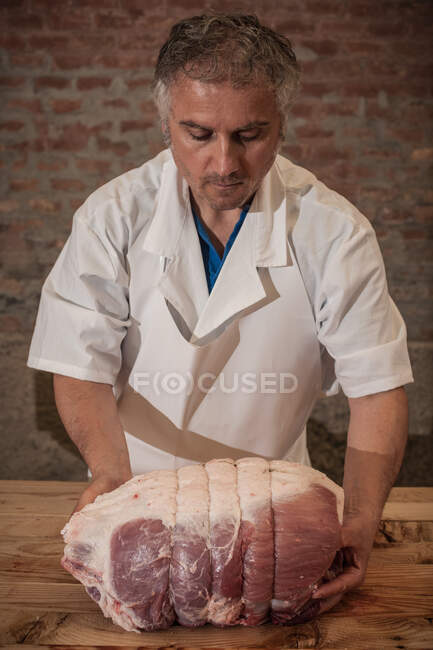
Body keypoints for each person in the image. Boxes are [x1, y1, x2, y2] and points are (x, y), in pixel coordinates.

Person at [28, 14, 413, 614]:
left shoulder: (334, 232)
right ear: (166, 124)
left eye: (250, 134)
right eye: (199, 133)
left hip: (277, 513)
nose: (224, 162)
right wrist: (107, 475)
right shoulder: (111, 217)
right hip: (139, 499)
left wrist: (361, 519)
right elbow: (77, 362)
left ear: (282, 123)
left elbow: (378, 387)